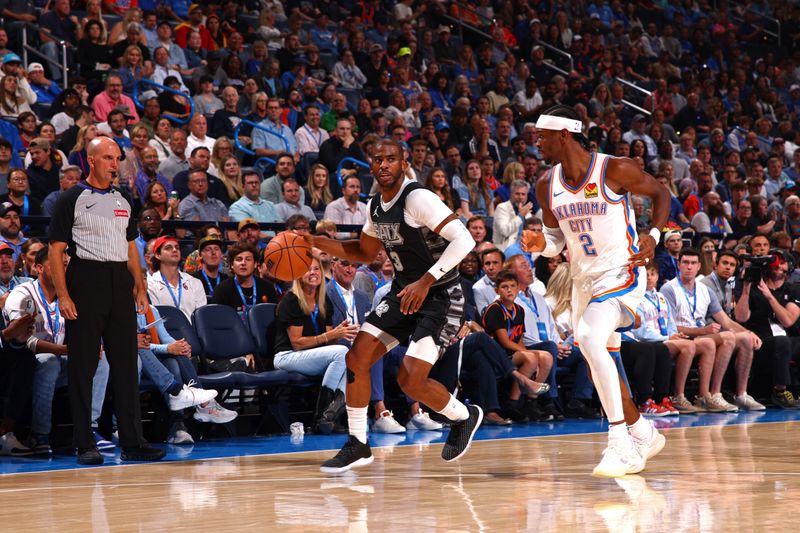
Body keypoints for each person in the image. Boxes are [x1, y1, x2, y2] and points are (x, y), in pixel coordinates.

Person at [309, 139, 480, 473]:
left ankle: (463, 415)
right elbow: (364, 252)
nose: (384, 164)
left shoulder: (418, 197)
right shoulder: (375, 205)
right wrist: (315, 242)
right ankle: (358, 443)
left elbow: (465, 239)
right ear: (371, 165)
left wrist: (427, 280)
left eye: (391, 159)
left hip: (440, 295)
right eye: (377, 159)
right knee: (356, 357)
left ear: (404, 163)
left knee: (410, 381)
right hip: (403, 293)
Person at [521, 105, 670, 478]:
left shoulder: (614, 169)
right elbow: (556, 242)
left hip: (622, 274)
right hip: (582, 280)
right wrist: (539, 243)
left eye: (542, 136)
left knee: (587, 337)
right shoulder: (546, 185)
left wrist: (654, 235)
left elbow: (661, 194)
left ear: (564, 135)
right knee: (599, 357)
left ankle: (619, 442)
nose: (536, 143)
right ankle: (643, 432)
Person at [47, 136, 165, 465]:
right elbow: (55, 250)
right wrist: (65, 295)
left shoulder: (124, 200)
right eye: (108, 157)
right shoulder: (72, 197)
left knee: (128, 365)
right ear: (92, 160)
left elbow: (130, 248)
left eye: (117, 157)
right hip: (85, 280)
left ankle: (133, 441)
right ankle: (84, 441)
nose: (115, 163)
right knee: (84, 366)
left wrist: (140, 287)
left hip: (120, 283)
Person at [5, 246, 112, 454]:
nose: (63, 271)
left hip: (61, 359)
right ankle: (39, 434)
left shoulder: (71, 295)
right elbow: (21, 341)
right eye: (56, 265)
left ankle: (89, 429)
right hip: (25, 365)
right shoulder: (22, 295)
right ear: (37, 268)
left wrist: (89, 345)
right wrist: (65, 350)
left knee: (100, 359)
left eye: (65, 266)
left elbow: (86, 329)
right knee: (49, 361)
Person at [273, 256, 357, 434]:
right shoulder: (291, 300)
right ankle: (321, 416)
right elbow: (297, 343)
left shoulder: (324, 301)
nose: (313, 273)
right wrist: (330, 335)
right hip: (287, 356)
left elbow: (328, 342)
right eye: (307, 269)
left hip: (313, 356)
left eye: (316, 269)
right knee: (342, 351)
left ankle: (328, 417)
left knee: (353, 360)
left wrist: (340, 333)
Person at [211, 244, 278, 317]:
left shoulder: (267, 287)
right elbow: (217, 319)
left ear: (255, 264)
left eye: (248, 259)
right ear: (231, 265)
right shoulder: (221, 290)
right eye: (239, 259)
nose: (243, 263)